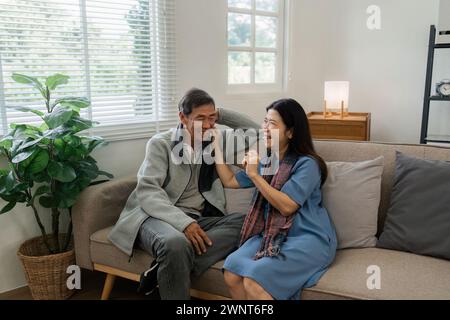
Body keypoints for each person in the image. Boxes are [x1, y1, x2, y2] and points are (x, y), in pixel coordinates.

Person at [108, 88, 260, 300]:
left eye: (211, 118)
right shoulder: (160, 143)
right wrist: (183, 223)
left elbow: (256, 131)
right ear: (182, 116)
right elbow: (149, 192)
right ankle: (173, 260)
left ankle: (164, 267)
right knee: (175, 244)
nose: (207, 125)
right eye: (200, 118)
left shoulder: (214, 138)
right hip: (153, 216)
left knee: (248, 223)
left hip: (198, 217)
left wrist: (219, 113)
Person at [214, 98, 338, 300]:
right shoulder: (266, 162)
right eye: (265, 121)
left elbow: (287, 206)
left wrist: (254, 175)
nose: (265, 128)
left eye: (272, 123)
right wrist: (216, 146)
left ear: (290, 132)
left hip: (307, 237)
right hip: (272, 235)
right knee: (231, 272)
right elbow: (229, 181)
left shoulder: (307, 165)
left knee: (254, 281)